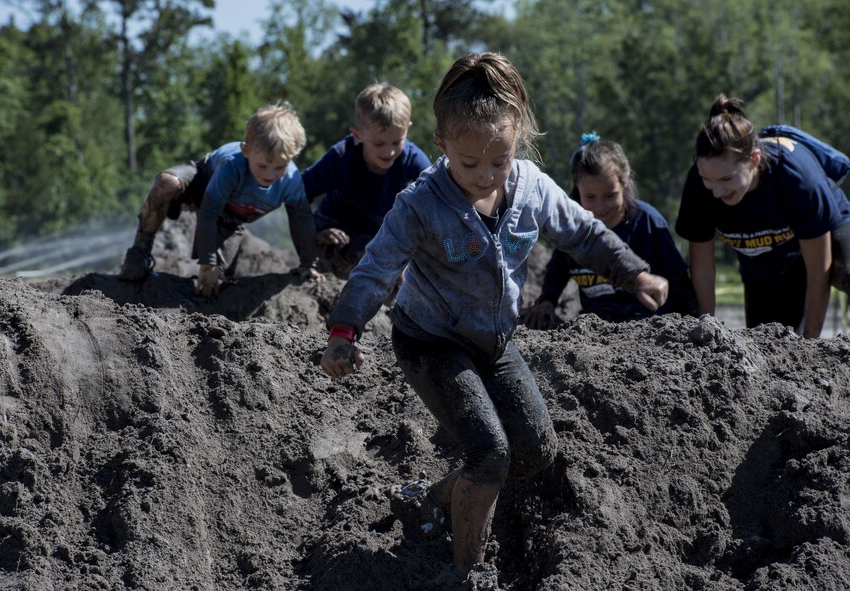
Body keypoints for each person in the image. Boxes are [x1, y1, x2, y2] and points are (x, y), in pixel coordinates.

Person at [319, 52, 668, 579]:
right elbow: (374, 270)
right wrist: (345, 331)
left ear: (517, 143)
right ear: (441, 147)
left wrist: (634, 272)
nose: (485, 176)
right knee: (490, 452)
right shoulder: (420, 204)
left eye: (498, 161)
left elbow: (582, 233)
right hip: (429, 343)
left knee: (536, 450)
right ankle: (468, 573)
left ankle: (430, 499)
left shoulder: (531, 188)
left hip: (495, 341)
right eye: (469, 164)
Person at [675, 94, 850, 338]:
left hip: (828, 231)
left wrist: (811, 345)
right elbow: (703, 270)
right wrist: (706, 333)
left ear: (754, 159)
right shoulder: (699, 187)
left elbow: (818, 270)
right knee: (769, 343)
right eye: (707, 179)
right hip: (762, 260)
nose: (716, 191)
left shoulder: (796, 179)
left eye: (727, 179)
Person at [119, 101, 323, 295]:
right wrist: (207, 262)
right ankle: (139, 251)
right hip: (200, 183)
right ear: (246, 151)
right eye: (262, 166)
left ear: (292, 158)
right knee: (166, 183)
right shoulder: (232, 166)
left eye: (280, 167)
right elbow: (209, 212)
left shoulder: (291, 181)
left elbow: (302, 219)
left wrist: (308, 264)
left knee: (219, 282)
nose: (269, 174)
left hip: (230, 217)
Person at [523, 134, 698, 329]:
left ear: (625, 181)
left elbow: (679, 281)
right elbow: (557, 271)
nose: (600, 207)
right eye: (590, 197)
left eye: (609, 195)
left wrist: (695, 324)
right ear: (577, 188)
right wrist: (547, 301)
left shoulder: (648, 223)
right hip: (595, 326)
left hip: (646, 325)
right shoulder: (573, 230)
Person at [302, 83, 431, 279]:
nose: (389, 151)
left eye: (397, 142)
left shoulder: (412, 159)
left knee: (398, 260)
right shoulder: (341, 157)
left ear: (407, 129)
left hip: (376, 233)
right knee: (363, 253)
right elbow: (299, 193)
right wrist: (313, 234)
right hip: (336, 226)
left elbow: (437, 194)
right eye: (379, 143)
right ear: (358, 135)